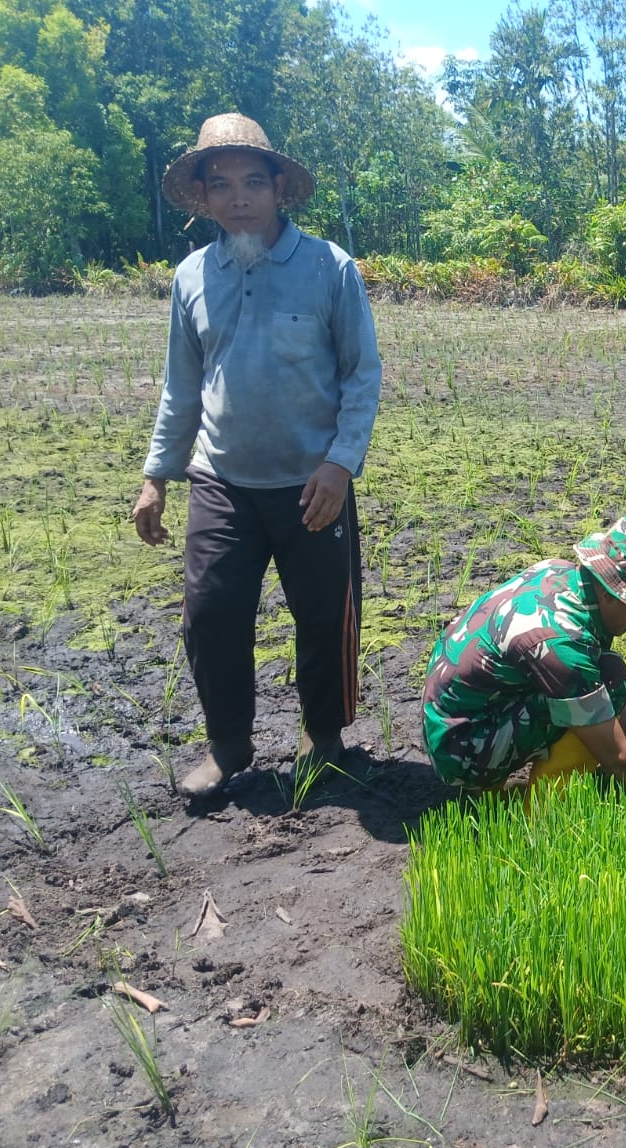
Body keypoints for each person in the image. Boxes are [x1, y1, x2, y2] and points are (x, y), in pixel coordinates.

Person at [130, 114, 382, 798]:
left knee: (325, 616)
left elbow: (361, 374)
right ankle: (228, 745)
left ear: (277, 188)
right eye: (221, 185)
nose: (238, 198)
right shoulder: (192, 276)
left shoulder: (328, 267)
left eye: (252, 182)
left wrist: (340, 463)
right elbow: (182, 385)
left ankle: (324, 738)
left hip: (312, 483)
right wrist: (157, 476)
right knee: (210, 612)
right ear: (204, 197)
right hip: (221, 479)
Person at [422, 514, 626, 797]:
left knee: (605, 675)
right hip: (462, 750)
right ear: (611, 592)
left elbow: (596, 694)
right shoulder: (561, 642)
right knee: (609, 683)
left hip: (465, 720)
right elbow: (618, 758)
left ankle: (506, 791)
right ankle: (542, 808)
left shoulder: (560, 575)